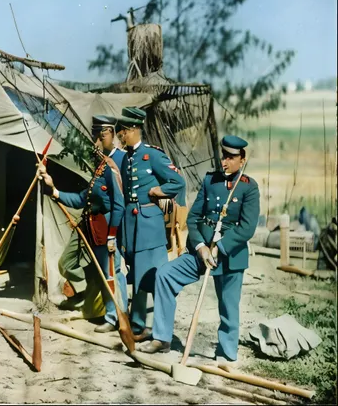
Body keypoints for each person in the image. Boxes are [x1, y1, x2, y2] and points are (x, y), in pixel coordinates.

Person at [140, 136, 259, 364]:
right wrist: (202, 247)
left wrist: (220, 248)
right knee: (165, 275)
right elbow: (194, 218)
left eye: (231, 158)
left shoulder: (249, 187)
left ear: (242, 160)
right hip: (202, 252)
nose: (225, 161)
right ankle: (162, 338)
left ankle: (225, 354)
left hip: (229, 257)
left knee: (228, 306)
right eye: (223, 156)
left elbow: (247, 228)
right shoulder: (209, 181)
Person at [39, 130, 126, 332]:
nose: (95, 143)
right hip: (90, 227)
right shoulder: (99, 170)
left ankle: (116, 318)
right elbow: (81, 199)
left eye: (99, 137)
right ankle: (92, 289)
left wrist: (112, 233)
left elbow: (119, 205)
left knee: (111, 274)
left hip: (105, 227)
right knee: (68, 263)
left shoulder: (112, 167)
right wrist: (53, 190)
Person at [117, 107, 186, 341]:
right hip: (133, 226)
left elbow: (177, 182)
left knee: (156, 279)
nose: (121, 136)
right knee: (137, 277)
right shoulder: (127, 158)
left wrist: (160, 190)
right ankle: (138, 326)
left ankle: (163, 332)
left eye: (123, 132)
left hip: (150, 226)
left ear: (134, 129)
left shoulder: (152, 155)